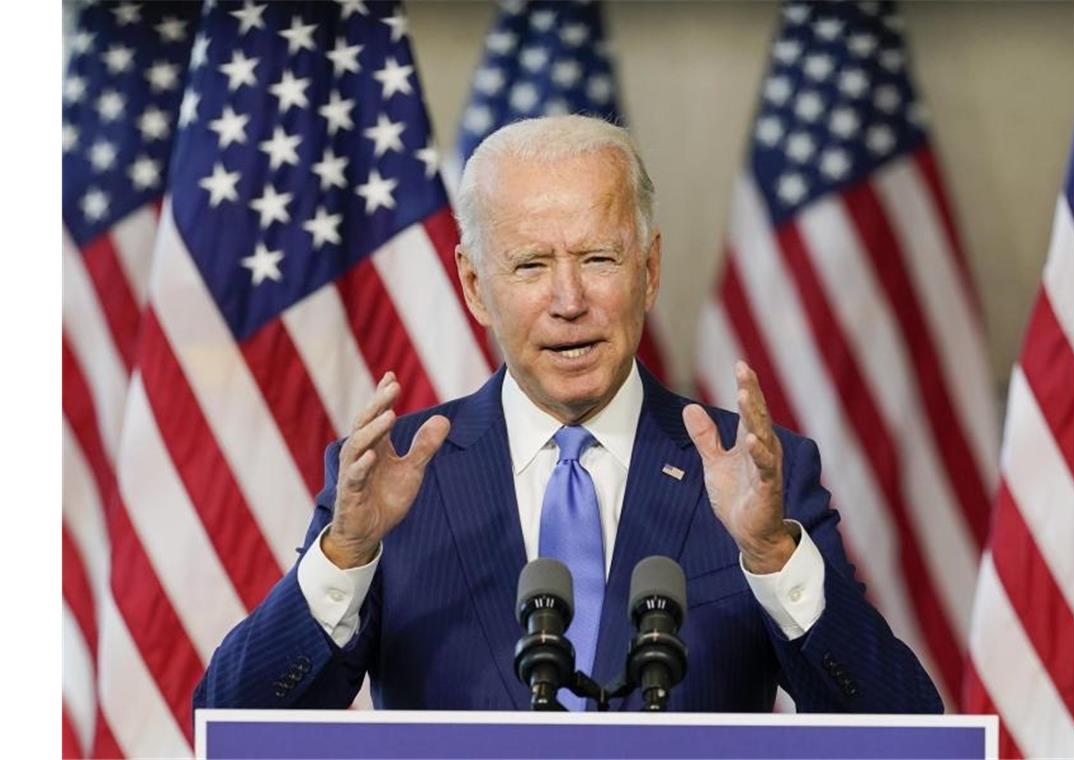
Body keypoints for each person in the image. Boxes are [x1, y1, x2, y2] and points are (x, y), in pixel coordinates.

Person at [194, 115, 941, 713]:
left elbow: (903, 726)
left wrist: (775, 556)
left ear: (649, 270)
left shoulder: (754, 478)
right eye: (530, 265)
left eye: (598, 258)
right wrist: (345, 557)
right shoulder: (393, 484)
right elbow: (230, 721)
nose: (569, 300)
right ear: (476, 285)